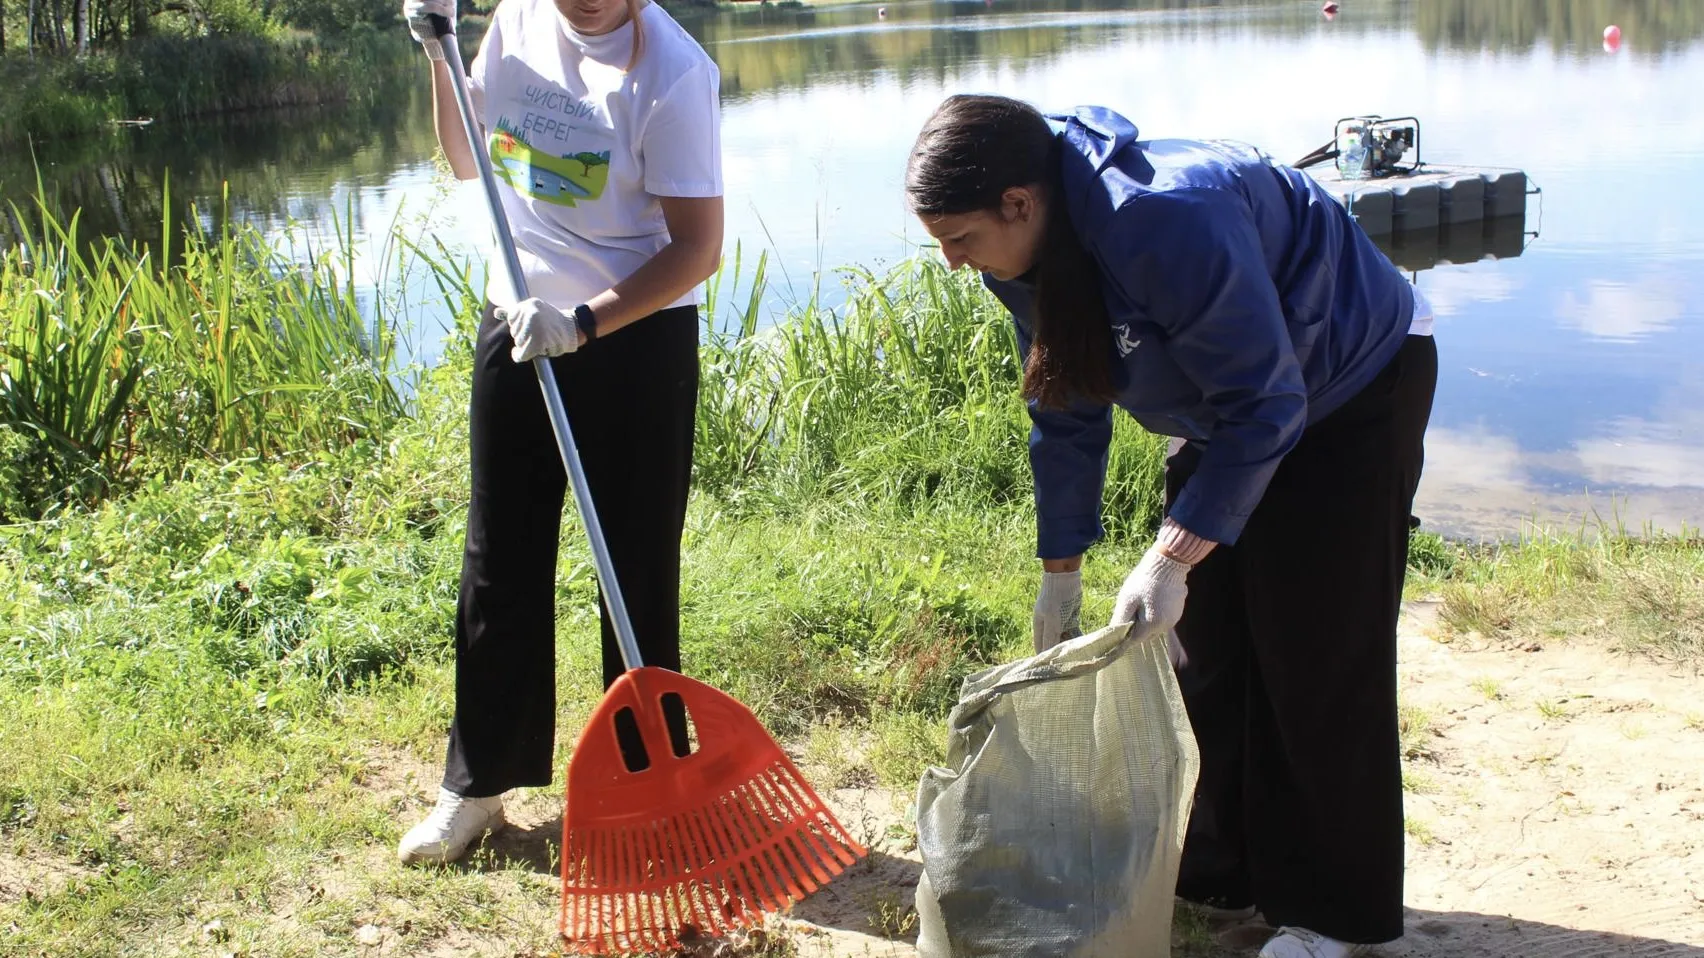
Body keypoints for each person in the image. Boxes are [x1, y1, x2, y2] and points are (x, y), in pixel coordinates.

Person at [904, 94, 1437, 958]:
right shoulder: (1019, 257)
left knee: (1317, 655)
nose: (953, 263)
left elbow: (1270, 404)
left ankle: (1335, 918)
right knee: (1204, 650)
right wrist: (1061, 569)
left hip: (1350, 383)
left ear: (1020, 203)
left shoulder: (1162, 220)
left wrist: (1171, 555)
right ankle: (1220, 872)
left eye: (959, 239)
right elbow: (1066, 400)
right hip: (1233, 409)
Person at [394, 0, 724, 864]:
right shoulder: (517, 24)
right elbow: (468, 158)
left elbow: (697, 249)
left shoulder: (675, 74)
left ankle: (649, 789)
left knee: (635, 569)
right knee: (497, 557)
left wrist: (582, 322)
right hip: (518, 316)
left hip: (633, 335)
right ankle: (477, 788)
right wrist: (441, 54)